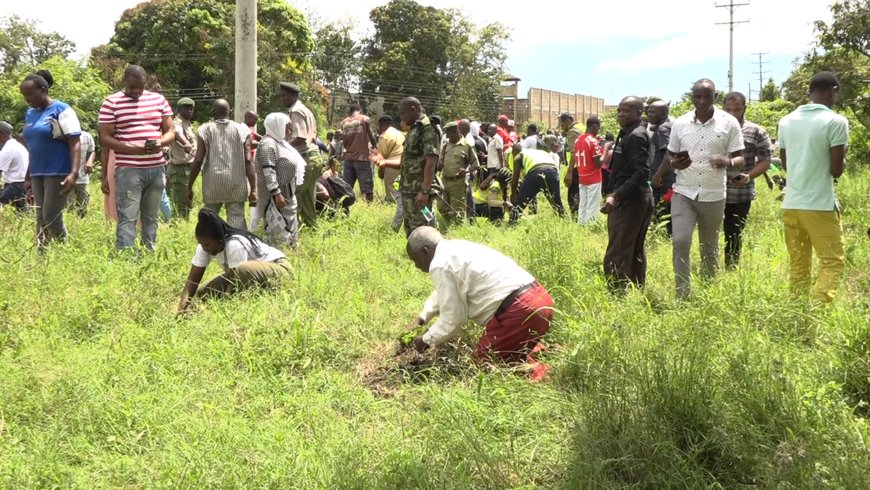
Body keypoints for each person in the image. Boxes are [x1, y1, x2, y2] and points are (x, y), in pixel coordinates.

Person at [404, 226, 553, 380]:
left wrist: (424, 341)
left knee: (485, 362)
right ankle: (540, 353)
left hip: (520, 311)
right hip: (540, 299)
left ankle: (546, 377)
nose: (417, 266)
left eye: (415, 260)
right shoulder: (456, 247)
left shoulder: (439, 264)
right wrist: (423, 317)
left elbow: (453, 321)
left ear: (425, 251)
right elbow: (445, 291)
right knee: (512, 352)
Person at [664, 79, 744, 298]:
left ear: (715, 97)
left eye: (707, 96)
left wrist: (727, 162)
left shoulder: (729, 123)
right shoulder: (680, 123)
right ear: (692, 97)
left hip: (713, 195)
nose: (702, 101)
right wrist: (674, 163)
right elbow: (670, 153)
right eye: (697, 96)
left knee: (709, 246)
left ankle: (709, 291)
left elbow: (740, 158)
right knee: (681, 241)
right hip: (684, 192)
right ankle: (682, 293)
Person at [778, 71, 849, 304]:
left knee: (799, 265)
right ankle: (819, 312)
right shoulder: (836, 121)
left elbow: (786, 164)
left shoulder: (786, 121)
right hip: (819, 205)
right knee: (832, 262)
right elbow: (836, 170)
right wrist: (843, 160)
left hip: (791, 204)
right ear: (832, 91)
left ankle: (797, 315)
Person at [99, 65, 175, 250]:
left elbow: (170, 131)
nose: (136, 91)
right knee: (128, 216)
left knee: (151, 216)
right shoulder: (111, 102)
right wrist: (130, 148)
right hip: (128, 169)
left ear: (145, 83)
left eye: (140, 87)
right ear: (124, 81)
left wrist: (159, 142)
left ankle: (149, 251)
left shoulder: (158, 100)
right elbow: (104, 137)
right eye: (132, 87)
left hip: (156, 168)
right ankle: (126, 255)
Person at [177, 208, 291, 315]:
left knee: (242, 269)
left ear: (219, 239)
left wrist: (225, 308)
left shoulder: (234, 245)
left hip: (280, 269)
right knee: (202, 292)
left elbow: (235, 281)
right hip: (244, 276)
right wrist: (182, 307)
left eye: (207, 244)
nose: (205, 248)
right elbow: (192, 280)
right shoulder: (203, 248)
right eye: (201, 244)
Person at [20, 70, 82, 247]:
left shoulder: (62, 110)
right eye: (24, 95)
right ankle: (42, 255)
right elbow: (33, 146)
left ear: (43, 89)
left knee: (50, 215)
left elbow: (75, 142)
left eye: (30, 94)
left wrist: (74, 173)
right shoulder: (30, 113)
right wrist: (28, 175)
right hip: (38, 172)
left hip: (58, 170)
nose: (27, 99)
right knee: (39, 216)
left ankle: (64, 248)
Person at [601, 97, 653, 291]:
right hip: (631, 197)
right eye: (619, 111)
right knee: (632, 247)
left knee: (619, 248)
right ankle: (636, 288)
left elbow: (641, 172)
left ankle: (616, 292)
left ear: (639, 113)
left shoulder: (636, 135)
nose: (621, 114)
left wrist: (617, 195)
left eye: (627, 111)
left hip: (631, 200)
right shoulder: (626, 133)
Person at [187, 99, 255, 230]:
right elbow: (248, 160)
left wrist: (189, 186)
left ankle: (210, 246)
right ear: (230, 112)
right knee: (237, 221)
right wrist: (254, 189)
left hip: (213, 183)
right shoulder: (242, 129)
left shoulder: (205, 130)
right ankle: (236, 245)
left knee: (209, 220)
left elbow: (198, 159)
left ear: (213, 112)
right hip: (236, 182)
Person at [722, 91, 772, 269]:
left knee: (733, 232)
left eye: (737, 109)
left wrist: (749, 176)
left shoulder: (756, 131)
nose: (733, 113)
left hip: (739, 193)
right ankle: (709, 266)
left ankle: (731, 267)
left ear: (745, 108)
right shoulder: (713, 130)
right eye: (728, 109)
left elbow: (766, 160)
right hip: (712, 192)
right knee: (710, 233)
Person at [255, 112, 305, 247]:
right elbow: (268, 172)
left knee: (289, 228)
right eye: (287, 127)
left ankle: (291, 252)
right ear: (277, 126)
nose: (290, 131)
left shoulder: (280, 143)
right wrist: (277, 194)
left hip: (288, 195)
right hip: (277, 198)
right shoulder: (268, 144)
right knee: (278, 229)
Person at [280, 82, 326, 229]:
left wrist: (281, 147)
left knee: (294, 197)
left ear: (293, 96)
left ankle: (291, 233)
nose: (282, 99)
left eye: (284, 96)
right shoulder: (306, 110)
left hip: (305, 158)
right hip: (314, 157)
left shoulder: (296, 111)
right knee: (307, 198)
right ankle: (313, 228)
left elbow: (300, 137)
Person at [398, 97, 439, 236]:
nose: (402, 117)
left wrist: (425, 191)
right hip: (409, 189)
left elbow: (431, 161)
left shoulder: (427, 128)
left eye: (403, 113)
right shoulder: (415, 128)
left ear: (413, 109)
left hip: (419, 191)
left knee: (424, 227)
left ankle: (433, 252)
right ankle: (415, 255)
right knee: (411, 226)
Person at [437, 120, 479, 225]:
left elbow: (476, 165)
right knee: (441, 206)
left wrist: (466, 171)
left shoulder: (467, 145)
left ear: (455, 132)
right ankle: (448, 223)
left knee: (458, 210)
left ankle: (457, 229)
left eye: (448, 134)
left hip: (458, 182)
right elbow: (441, 161)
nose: (447, 136)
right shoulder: (446, 144)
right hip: (444, 180)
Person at [509, 145, 565, 224]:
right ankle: (565, 221)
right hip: (552, 171)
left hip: (536, 171)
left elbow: (515, 179)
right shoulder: (538, 152)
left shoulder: (518, 156)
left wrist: (513, 194)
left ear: (514, 152)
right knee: (557, 203)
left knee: (519, 203)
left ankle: (511, 223)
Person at [567, 116, 604, 224]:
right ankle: (590, 227)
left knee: (583, 204)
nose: (598, 131)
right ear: (594, 126)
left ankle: (581, 224)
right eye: (598, 128)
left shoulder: (578, 139)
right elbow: (598, 163)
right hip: (593, 178)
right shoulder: (592, 141)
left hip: (582, 177)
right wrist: (605, 150)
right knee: (592, 205)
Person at [340, 103, 379, 203]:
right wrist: (375, 146)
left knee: (346, 187)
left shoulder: (343, 122)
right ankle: (370, 208)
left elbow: (344, 141)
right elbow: (370, 135)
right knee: (368, 188)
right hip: (362, 158)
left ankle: (344, 209)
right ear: (360, 111)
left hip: (348, 158)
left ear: (349, 112)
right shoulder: (364, 119)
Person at [647, 100, 675, 235]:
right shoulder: (667, 126)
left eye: (653, 112)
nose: (648, 114)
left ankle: (664, 237)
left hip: (663, 179)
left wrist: (657, 175)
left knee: (661, 211)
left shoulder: (663, 129)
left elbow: (668, 154)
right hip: (667, 177)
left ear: (664, 113)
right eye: (648, 111)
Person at [167, 97, 197, 219]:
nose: (190, 111)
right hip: (180, 170)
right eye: (186, 109)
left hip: (189, 168)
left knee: (188, 200)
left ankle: (184, 221)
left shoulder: (187, 124)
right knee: (180, 203)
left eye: (191, 109)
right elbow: (177, 133)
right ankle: (178, 225)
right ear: (179, 109)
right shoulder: (176, 123)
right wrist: (185, 143)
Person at [559, 112, 585, 217]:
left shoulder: (572, 131)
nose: (562, 127)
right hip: (585, 166)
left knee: (573, 194)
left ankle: (576, 217)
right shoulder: (582, 127)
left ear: (569, 121)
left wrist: (569, 172)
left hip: (576, 167)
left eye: (562, 124)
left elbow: (574, 152)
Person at [374, 114, 405, 203]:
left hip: (391, 166)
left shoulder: (384, 136)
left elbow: (381, 157)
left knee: (392, 191)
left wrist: (380, 172)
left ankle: (394, 208)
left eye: (380, 126)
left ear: (383, 125)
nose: (379, 128)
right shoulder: (400, 133)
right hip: (403, 163)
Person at [0, 121, 29, 209]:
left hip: (16, 184)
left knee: (2, 203)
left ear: (1, 133)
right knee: (20, 210)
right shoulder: (15, 145)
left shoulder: (9, 148)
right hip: (20, 183)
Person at [67, 130, 96, 217]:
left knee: (83, 204)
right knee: (69, 205)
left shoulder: (86, 136)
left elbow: (92, 151)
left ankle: (81, 222)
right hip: (67, 176)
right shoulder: (64, 137)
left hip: (82, 175)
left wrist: (90, 161)